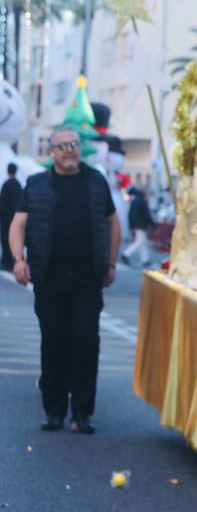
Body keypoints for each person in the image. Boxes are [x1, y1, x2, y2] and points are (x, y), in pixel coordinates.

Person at [8, 126, 120, 435]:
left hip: (87, 278)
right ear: (52, 152)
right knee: (53, 343)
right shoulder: (37, 184)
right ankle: (54, 411)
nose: (69, 150)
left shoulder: (95, 182)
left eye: (73, 144)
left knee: (86, 343)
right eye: (62, 146)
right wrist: (19, 260)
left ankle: (82, 414)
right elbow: (18, 225)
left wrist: (110, 262)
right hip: (50, 278)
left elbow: (113, 223)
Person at [121, 185, 153, 268]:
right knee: (139, 242)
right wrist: (151, 223)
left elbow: (131, 215)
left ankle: (145, 260)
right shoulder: (141, 201)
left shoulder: (135, 201)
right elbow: (146, 214)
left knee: (143, 242)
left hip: (137, 224)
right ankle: (126, 254)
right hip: (141, 225)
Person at [1, 162, 20, 271]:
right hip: (14, 218)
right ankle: (13, 261)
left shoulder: (6, 185)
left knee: (4, 239)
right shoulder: (18, 185)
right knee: (13, 240)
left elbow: (2, 202)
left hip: (5, 218)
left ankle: (5, 261)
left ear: (8, 171)